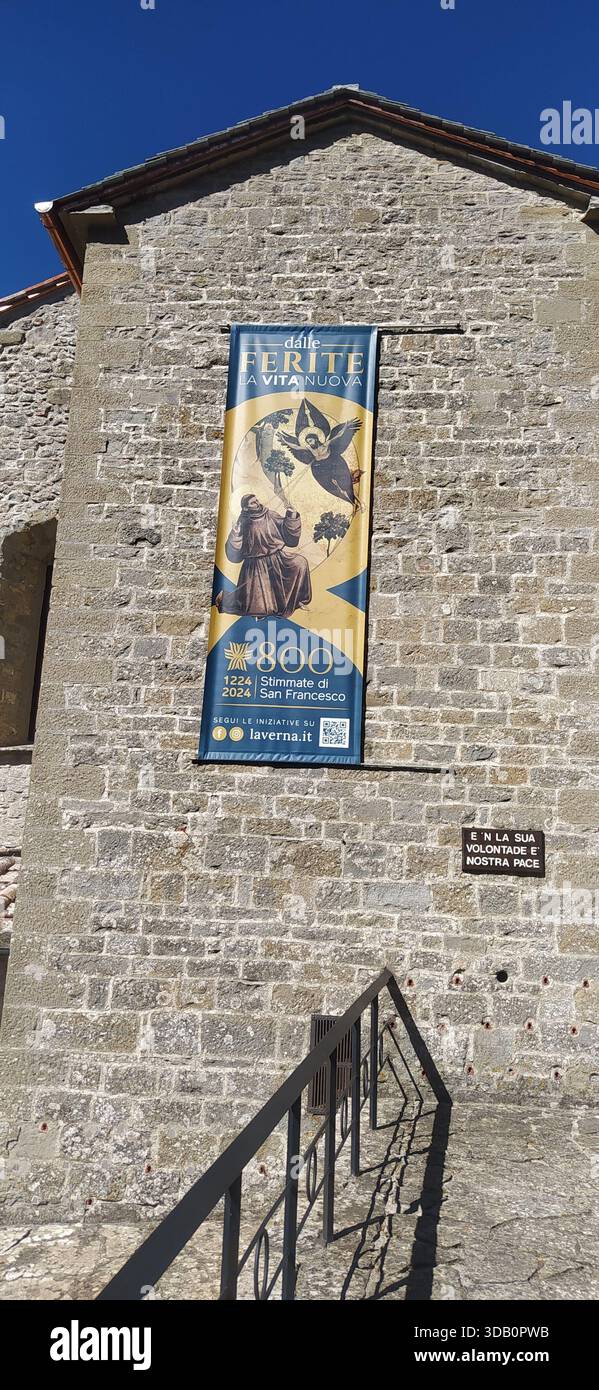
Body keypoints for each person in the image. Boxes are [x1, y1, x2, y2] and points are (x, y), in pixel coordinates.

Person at [215, 493, 312, 618]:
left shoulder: (269, 514)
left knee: (300, 563)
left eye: (256, 500)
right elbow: (234, 552)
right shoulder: (243, 522)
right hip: (255, 565)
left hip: (277, 558)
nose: (257, 503)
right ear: (245, 508)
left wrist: (291, 515)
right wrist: (235, 533)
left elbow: (285, 528)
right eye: (252, 502)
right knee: (261, 607)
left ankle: (298, 599)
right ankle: (226, 600)